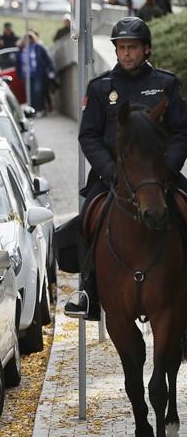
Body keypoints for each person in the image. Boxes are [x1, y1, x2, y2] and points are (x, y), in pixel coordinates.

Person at [65, 17, 187, 320]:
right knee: (86, 220)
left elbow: (182, 132)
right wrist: (110, 172)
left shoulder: (166, 84)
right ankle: (88, 292)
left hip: (158, 177)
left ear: (146, 50)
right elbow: (89, 135)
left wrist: (168, 170)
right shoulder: (100, 87)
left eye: (132, 47)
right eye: (121, 48)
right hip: (113, 178)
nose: (126, 54)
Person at [16, 30, 56, 115]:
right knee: (29, 94)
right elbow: (18, 63)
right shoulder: (21, 49)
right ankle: (31, 110)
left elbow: (48, 60)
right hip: (26, 75)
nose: (28, 40)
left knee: (37, 92)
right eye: (26, 39)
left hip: (37, 74)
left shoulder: (39, 48)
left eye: (30, 38)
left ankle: (39, 109)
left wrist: (51, 71)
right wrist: (19, 74)